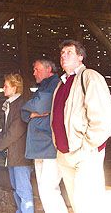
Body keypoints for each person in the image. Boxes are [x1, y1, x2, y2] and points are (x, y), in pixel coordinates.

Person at [51, 39, 111, 213]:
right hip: (65, 154)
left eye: (69, 52)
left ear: (80, 57)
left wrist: (87, 147)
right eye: (62, 53)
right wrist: (59, 148)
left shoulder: (89, 77)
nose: (64, 56)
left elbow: (104, 117)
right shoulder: (61, 84)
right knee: (78, 204)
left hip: (84, 153)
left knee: (89, 204)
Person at [21, 59, 68, 213]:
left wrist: (33, 108)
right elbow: (24, 112)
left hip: (49, 145)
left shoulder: (55, 84)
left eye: (37, 69)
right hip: (40, 146)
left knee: (49, 189)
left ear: (49, 69)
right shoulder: (43, 87)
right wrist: (32, 111)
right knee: (44, 189)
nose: (34, 72)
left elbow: (40, 105)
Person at [0, 73, 34, 213]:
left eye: (6, 86)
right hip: (13, 154)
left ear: (14, 88)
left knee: (23, 190)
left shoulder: (21, 105)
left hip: (20, 154)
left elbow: (15, 130)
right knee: (16, 188)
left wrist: (0, 145)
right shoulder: (11, 104)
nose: (3, 88)